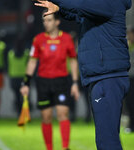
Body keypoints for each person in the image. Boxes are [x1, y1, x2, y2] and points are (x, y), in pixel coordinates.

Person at [34, 0, 131, 150]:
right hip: (103, 76)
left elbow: (79, 5)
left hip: (107, 77)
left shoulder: (110, 2)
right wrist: (59, 8)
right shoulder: (99, 9)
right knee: (106, 138)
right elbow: (77, 14)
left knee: (107, 141)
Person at [20, 12, 79, 150]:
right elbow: (32, 62)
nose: (46, 23)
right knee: (46, 117)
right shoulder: (38, 39)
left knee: (63, 114)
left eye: (49, 20)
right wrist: (26, 83)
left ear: (57, 22)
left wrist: (75, 83)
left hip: (61, 82)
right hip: (43, 83)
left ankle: (65, 147)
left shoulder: (66, 39)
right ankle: (49, 148)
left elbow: (73, 61)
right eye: (44, 20)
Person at [8, 37, 29, 115]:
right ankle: (25, 113)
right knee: (25, 98)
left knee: (17, 97)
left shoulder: (11, 54)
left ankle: (19, 113)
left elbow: (9, 66)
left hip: (14, 77)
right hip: (23, 78)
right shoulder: (26, 54)